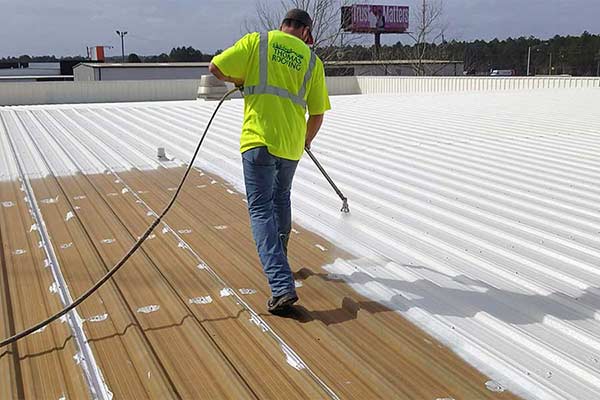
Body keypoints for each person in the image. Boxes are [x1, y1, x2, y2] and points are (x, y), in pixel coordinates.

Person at [209, 9, 331, 313]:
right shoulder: (312, 60)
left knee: (261, 208)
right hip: (290, 147)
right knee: (281, 199)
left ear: (283, 25)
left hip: (258, 141)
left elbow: (216, 68)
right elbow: (317, 113)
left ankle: (280, 285)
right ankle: (282, 260)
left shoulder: (258, 42)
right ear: (305, 33)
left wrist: (239, 79)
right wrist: (305, 140)